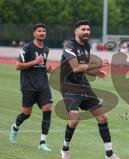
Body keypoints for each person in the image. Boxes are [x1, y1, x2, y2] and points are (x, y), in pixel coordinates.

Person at [59, 20, 120, 159]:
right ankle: (64, 150)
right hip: (70, 87)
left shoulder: (86, 45)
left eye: (88, 29)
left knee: (103, 117)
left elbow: (84, 68)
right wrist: (98, 64)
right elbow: (76, 68)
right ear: (76, 31)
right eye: (83, 29)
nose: (86, 32)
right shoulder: (69, 46)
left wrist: (96, 72)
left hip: (84, 85)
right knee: (75, 119)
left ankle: (109, 154)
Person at [9, 23, 54, 151]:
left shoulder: (46, 49)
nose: (42, 33)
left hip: (43, 84)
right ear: (34, 33)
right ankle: (15, 127)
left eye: (44, 31)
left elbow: (41, 66)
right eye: (39, 31)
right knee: (26, 113)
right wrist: (34, 62)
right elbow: (18, 66)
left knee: (47, 109)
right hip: (28, 85)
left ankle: (42, 143)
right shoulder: (27, 48)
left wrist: (47, 69)